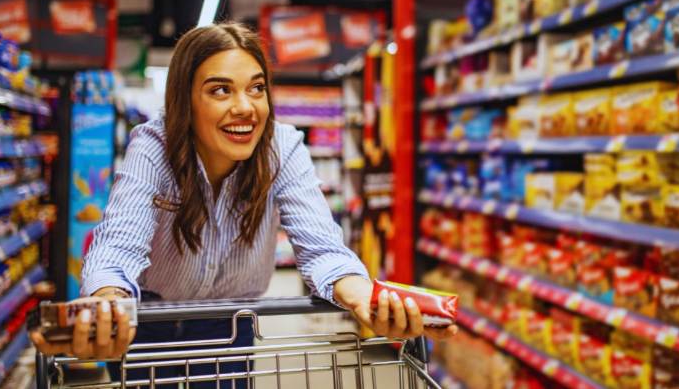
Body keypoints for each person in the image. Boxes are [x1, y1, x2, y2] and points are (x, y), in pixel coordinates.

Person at [30, 22, 457, 387]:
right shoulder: (154, 146)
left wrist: (366, 297)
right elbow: (118, 245)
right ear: (185, 100)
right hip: (149, 330)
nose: (245, 107)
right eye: (220, 90)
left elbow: (323, 249)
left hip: (230, 325)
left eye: (256, 88)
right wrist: (107, 302)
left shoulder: (282, 148)